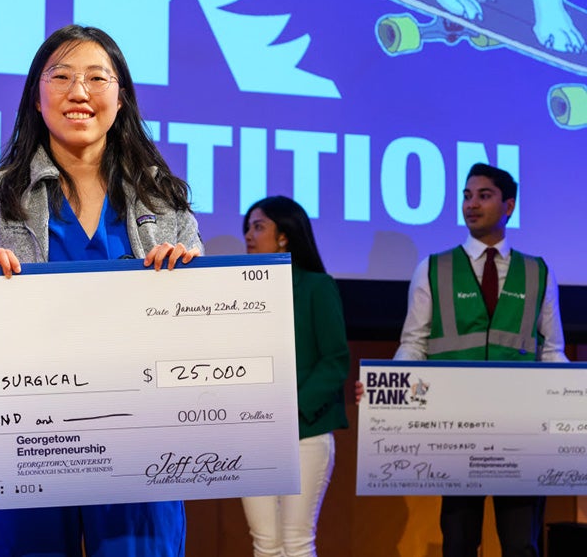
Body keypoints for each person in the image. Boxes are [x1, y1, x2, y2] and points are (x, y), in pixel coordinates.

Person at [0, 25, 202, 557]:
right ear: (37, 99)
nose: (78, 92)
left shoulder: (163, 195)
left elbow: (203, 331)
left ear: (121, 96)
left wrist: (192, 288)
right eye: (60, 77)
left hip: (142, 443)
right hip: (25, 441)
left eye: (96, 78)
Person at [378, 162, 568, 557]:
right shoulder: (432, 268)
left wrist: (571, 400)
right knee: (460, 542)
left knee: (521, 545)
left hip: (522, 430)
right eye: (466, 195)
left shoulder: (538, 272)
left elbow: (552, 352)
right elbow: (413, 345)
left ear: (509, 205)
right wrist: (387, 387)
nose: (471, 204)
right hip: (456, 427)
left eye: (484, 195)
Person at [238, 196, 350, 557]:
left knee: (297, 543)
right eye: (247, 228)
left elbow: (335, 360)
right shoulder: (239, 292)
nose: (249, 236)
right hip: (255, 433)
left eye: (259, 226)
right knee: (265, 543)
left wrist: (292, 410)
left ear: (284, 235)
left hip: (306, 432)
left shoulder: (317, 287)